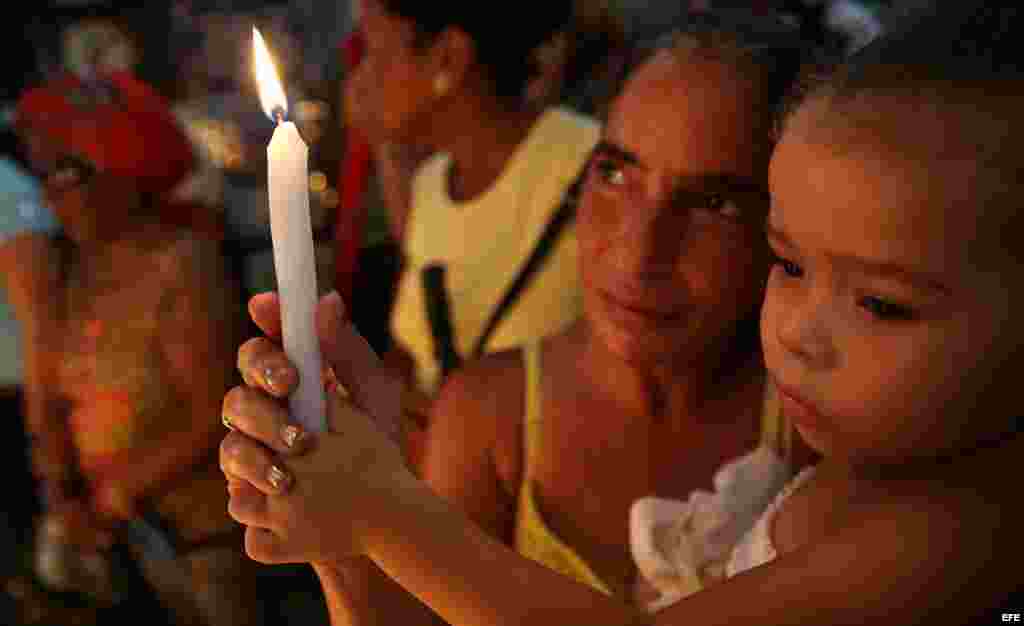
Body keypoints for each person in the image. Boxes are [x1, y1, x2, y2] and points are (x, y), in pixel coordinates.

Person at [222, 2, 1022, 625]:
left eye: (712, 203)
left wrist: (384, 513)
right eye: (614, 173)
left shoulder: (943, 510)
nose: (639, 253)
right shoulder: (492, 418)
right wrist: (347, 545)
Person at [14, 69, 263, 625]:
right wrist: (62, 488)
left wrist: (113, 495)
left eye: (67, 172)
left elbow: (214, 411)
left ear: (123, 169)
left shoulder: (183, 264)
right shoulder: (75, 270)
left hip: (195, 543)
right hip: (115, 542)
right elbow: (53, 392)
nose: (51, 193)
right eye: (45, 174)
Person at [346, 0, 599, 412]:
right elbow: (411, 356)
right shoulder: (432, 184)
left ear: (449, 58)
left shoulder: (591, 170)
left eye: (377, 52)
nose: (359, 80)